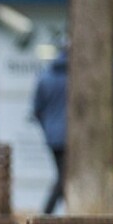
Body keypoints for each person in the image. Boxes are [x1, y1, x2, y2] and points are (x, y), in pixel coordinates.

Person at [32, 46, 68, 215]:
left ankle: (49, 214)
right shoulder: (74, 78)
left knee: (63, 177)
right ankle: (47, 214)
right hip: (68, 137)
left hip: (53, 135)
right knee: (64, 178)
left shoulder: (45, 77)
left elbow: (37, 110)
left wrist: (47, 128)